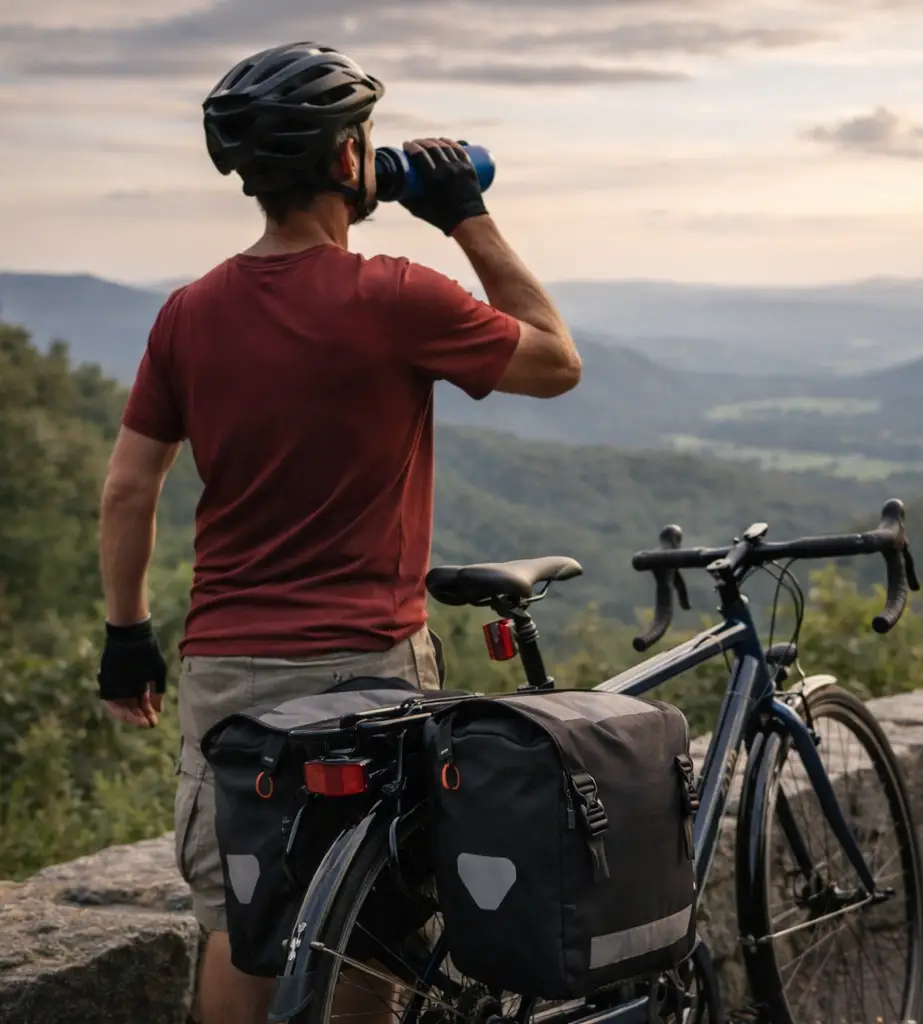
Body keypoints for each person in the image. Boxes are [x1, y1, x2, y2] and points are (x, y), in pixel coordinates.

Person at [94, 41, 581, 1024]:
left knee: (241, 917)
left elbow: (128, 488)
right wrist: (467, 217)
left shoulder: (187, 315)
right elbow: (555, 362)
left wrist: (126, 637)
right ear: (352, 163)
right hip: (370, 662)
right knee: (381, 918)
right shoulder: (396, 296)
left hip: (228, 667)